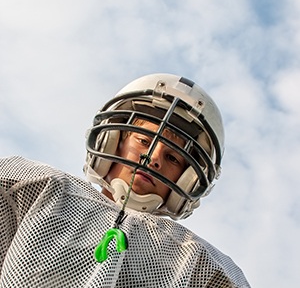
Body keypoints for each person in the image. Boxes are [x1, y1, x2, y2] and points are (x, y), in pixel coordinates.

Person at [0, 73, 251, 287]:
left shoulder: (198, 263)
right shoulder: (41, 187)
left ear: (188, 182)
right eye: (143, 140)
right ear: (112, 141)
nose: (153, 159)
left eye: (173, 158)